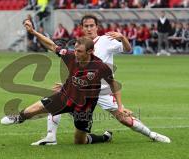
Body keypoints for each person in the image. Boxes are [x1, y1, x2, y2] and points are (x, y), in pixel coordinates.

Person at [31, 14, 171, 145]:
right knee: (59, 104)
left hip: (104, 91)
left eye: (92, 25)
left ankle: (152, 135)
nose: (89, 28)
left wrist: (122, 37)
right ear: (82, 28)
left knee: (124, 118)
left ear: (97, 27)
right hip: (82, 90)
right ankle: (51, 137)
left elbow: (128, 49)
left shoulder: (106, 40)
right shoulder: (79, 43)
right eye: (86, 26)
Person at [1, 19, 120, 145]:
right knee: (34, 109)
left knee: (79, 141)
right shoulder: (70, 56)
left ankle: (104, 138)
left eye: (79, 51)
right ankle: (19, 118)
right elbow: (52, 45)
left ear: (90, 52)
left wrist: (120, 107)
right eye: (74, 49)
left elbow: (113, 84)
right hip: (65, 97)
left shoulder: (100, 67)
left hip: (84, 108)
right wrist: (33, 32)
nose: (75, 53)